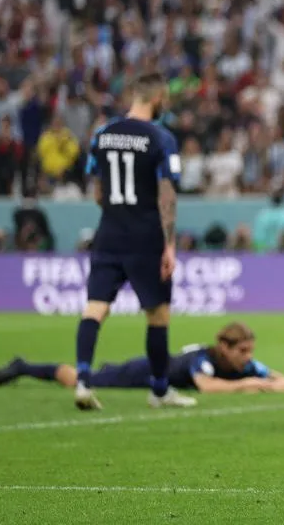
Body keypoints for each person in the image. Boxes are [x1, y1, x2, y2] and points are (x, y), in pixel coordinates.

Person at [73, 71, 193, 411]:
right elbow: (166, 195)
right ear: (156, 98)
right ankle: (158, 391)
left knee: (95, 308)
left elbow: (96, 189)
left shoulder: (102, 133)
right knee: (157, 315)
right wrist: (169, 244)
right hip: (146, 236)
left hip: (109, 232)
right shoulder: (161, 138)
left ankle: (83, 380)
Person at [0, 322, 284, 395]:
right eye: (242, 351)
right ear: (224, 347)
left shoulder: (245, 367)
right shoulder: (203, 358)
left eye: (250, 351)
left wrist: (261, 381)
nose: (248, 358)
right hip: (142, 372)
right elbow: (206, 386)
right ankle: (23, 367)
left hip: (154, 375)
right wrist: (252, 383)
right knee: (82, 380)